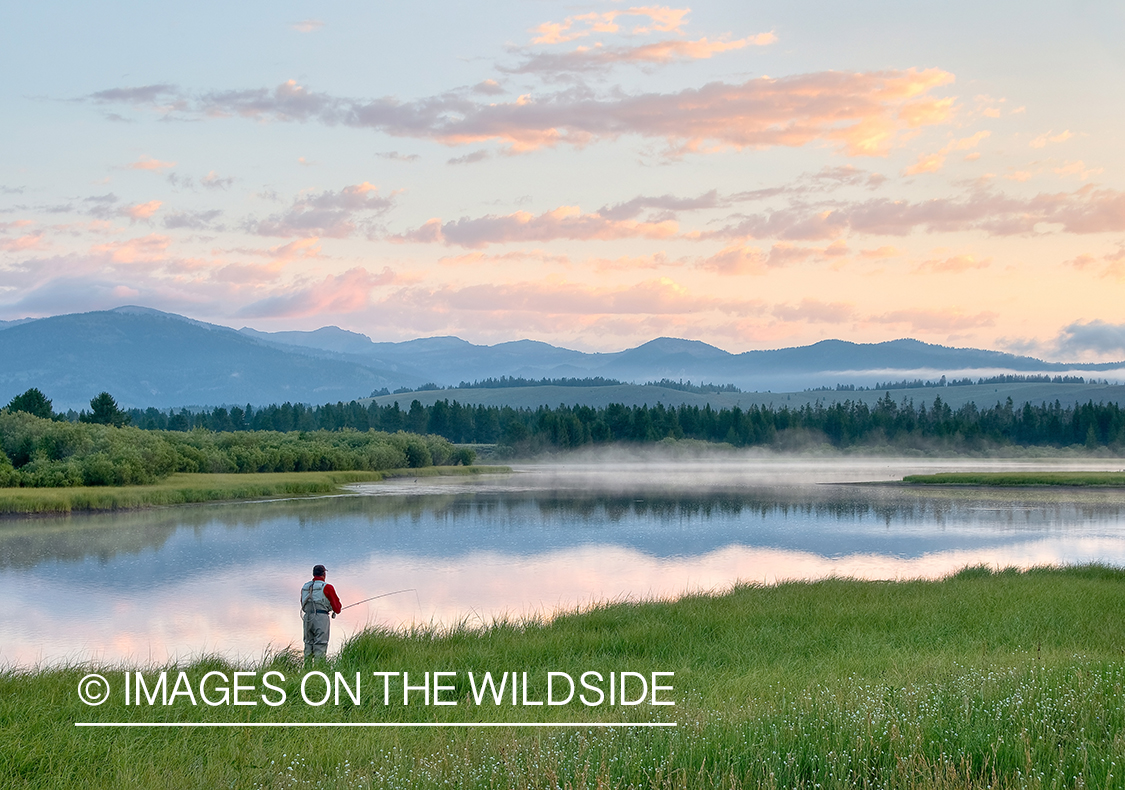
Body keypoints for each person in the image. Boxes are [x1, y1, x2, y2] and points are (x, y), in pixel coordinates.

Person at [300, 564, 342, 659]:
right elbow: (337, 608)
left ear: (313, 574)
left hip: (307, 617)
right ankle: (319, 669)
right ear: (324, 574)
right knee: (320, 644)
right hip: (321, 617)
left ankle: (307, 669)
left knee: (308, 643)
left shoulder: (305, 587)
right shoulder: (327, 587)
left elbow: (301, 602)